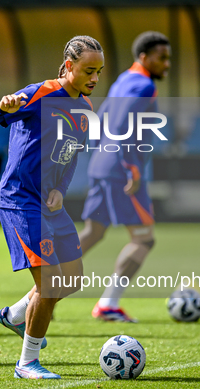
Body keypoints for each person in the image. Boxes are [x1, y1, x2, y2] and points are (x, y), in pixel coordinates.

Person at [0, 36, 104, 379]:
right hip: (19, 200)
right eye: (88, 70)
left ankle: (15, 315)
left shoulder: (85, 109)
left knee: (71, 278)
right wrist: (2, 108)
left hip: (49, 204)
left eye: (98, 72)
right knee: (50, 283)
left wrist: (61, 188)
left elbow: (72, 154)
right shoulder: (40, 94)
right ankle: (27, 363)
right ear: (68, 66)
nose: (94, 78)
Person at [79, 31, 171, 322]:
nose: (167, 64)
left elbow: (103, 116)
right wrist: (131, 165)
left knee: (93, 233)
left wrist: (100, 153)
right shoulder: (144, 85)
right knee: (144, 239)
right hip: (122, 170)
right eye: (162, 58)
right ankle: (108, 304)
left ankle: (43, 291)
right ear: (144, 58)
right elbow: (122, 123)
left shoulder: (122, 79)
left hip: (101, 164)